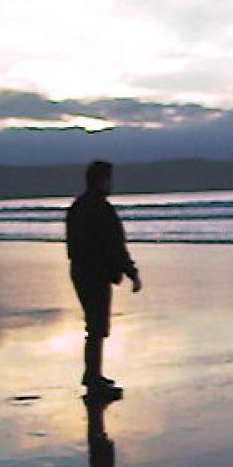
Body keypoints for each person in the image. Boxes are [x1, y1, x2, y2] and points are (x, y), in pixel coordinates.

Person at [66, 160, 141, 395]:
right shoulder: (101, 208)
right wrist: (131, 272)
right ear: (101, 180)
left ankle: (92, 375)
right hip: (94, 274)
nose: (111, 184)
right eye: (109, 179)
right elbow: (114, 245)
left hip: (80, 271)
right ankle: (93, 379)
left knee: (95, 326)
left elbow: (75, 246)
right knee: (97, 327)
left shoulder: (78, 206)